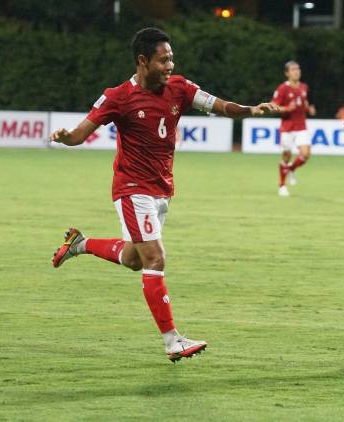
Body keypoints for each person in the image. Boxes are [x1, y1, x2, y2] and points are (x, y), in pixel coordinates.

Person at [50, 27, 276, 362]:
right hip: (131, 188)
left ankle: (80, 243)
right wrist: (66, 137)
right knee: (155, 259)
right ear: (142, 61)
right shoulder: (118, 96)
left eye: (171, 58)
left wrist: (250, 110)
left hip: (161, 190)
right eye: (163, 59)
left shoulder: (180, 88)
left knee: (133, 259)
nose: (170, 65)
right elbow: (81, 134)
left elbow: (217, 105)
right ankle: (173, 341)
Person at [271, 60, 316, 197]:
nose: (297, 71)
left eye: (298, 68)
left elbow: (303, 102)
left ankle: (290, 169)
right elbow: (273, 106)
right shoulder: (282, 88)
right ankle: (282, 185)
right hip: (287, 127)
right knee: (287, 155)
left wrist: (309, 108)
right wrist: (286, 108)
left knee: (306, 154)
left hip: (301, 126)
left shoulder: (304, 87)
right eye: (293, 69)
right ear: (287, 73)